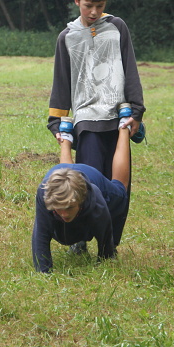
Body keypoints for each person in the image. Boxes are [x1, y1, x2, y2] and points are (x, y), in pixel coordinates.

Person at [46, 0, 144, 249]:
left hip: (118, 118)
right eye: (88, 6)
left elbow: (130, 68)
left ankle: (109, 242)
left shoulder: (117, 27)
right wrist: (56, 121)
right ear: (77, 1)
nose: (93, 12)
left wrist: (136, 111)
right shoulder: (66, 37)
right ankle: (79, 238)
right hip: (86, 120)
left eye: (99, 6)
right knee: (85, 184)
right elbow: (61, 81)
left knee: (119, 187)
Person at [32, 111, 133, 273]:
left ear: (81, 201)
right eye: (59, 208)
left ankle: (123, 127)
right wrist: (44, 273)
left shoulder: (95, 198)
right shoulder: (44, 195)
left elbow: (106, 233)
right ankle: (66, 137)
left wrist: (106, 257)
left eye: (69, 208)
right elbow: (40, 236)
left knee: (121, 190)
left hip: (92, 177)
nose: (64, 214)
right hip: (62, 172)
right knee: (65, 175)